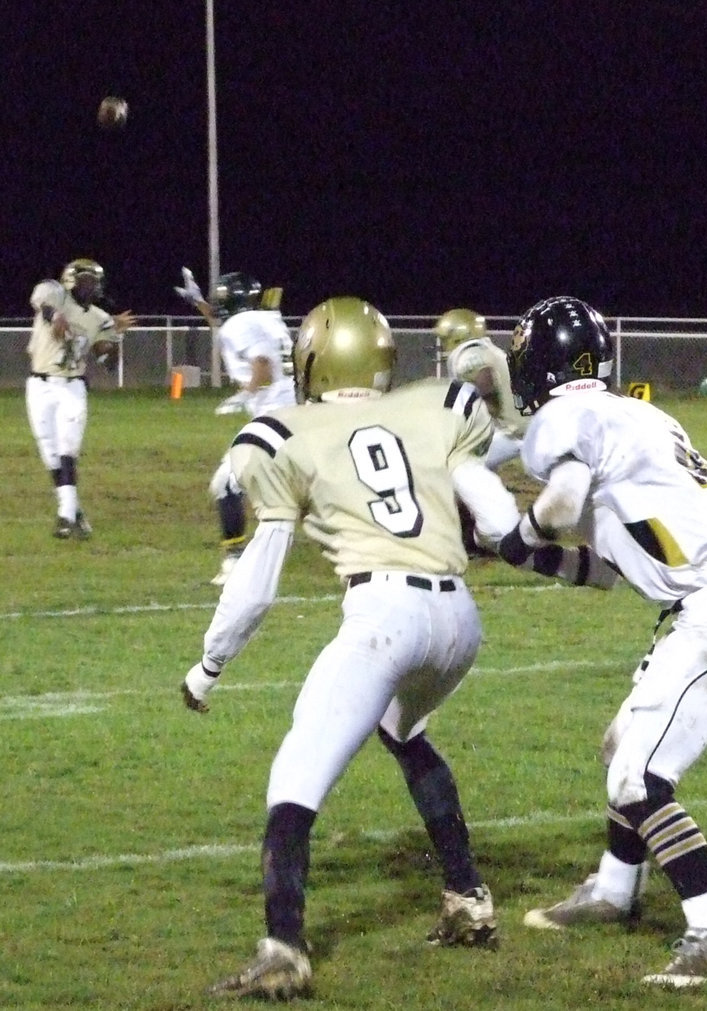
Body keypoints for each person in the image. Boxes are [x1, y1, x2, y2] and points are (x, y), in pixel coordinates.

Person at [178, 296, 526, 999]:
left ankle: (283, 949)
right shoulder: (436, 404)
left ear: (311, 359)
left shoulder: (286, 429)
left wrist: (209, 662)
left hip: (383, 613)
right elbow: (494, 513)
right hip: (459, 619)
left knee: (296, 771)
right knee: (404, 730)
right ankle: (467, 896)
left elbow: (256, 582)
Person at [496, 295, 707, 988]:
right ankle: (616, 889)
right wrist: (540, 559)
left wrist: (519, 535)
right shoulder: (637, 416)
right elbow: (612, 569)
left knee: (639, 776)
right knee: (622, 744)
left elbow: (559, 504)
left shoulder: (568, 418)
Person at [174, 268, 297, 585]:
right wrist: (199, 302)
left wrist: (246, 392)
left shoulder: (241, 324)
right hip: (300, 414)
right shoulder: (268, 318)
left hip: (275, 417)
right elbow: (227, 322)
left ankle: (235, 563)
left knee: (226, 483)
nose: (219, 307)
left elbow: (263, 366)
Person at [26, 258, 137, 538]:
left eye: (93, 281)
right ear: (71, 280)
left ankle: (64, 517)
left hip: (71, 385)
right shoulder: (55, 293)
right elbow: (43, 301)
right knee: (49, 452)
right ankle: (74, 511)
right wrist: (56, 317)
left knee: (67, 448)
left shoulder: (99, 317)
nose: (90, 286)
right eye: (85, 280)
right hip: (39, 385)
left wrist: (113, 340)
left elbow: (107, 361)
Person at [435, 308, 528, 470]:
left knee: (456, 462)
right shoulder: (487, 349)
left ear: (459, 335)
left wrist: (484, 406)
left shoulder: (468, 355)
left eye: (445, 338)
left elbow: (484, 377)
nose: (443, 344)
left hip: (516, 433)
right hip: (525, 427)